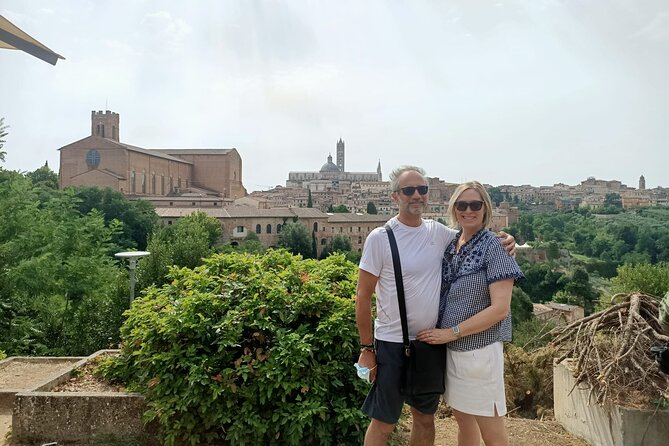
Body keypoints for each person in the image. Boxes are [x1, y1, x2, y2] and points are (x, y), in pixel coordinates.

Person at [356, 168, 516, 446]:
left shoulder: (439, 233)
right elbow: (363, 295)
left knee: (425, 418)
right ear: (395, 195)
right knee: (383, 422)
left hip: (431, 346)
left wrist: (506, 241)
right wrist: (367, 348)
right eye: (408, 190)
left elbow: (475, 237)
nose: (416, 195)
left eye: (422, 189)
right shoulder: (380, 238)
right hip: (392, 344)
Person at [417, 181, 524, 446]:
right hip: (453, 352)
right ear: (453, 208)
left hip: (480, 353)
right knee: (464, 423)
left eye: (475, 205)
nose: (468, 210)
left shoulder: (495, 246)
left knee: (492, 433)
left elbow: (500, 309)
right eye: (462, 205)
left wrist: (449, 333)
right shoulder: (452, 242)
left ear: (485, 208)